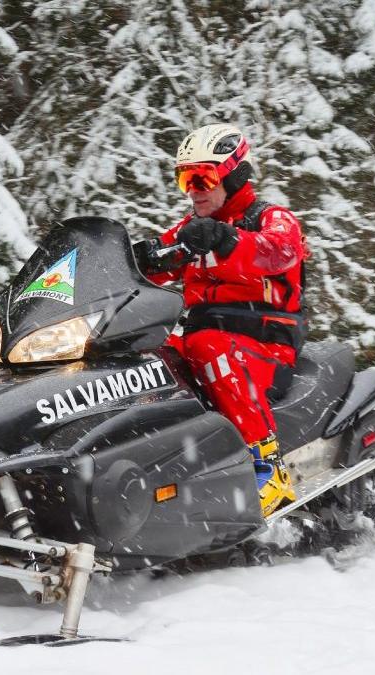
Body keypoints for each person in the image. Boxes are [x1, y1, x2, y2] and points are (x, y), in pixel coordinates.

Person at [134, 123, 308, 518]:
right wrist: (131, 260)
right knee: (145, 362)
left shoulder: (271, 219)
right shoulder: (191, 230)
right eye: (184, 178)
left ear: (234, 175)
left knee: (206, 345)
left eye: (202, 177)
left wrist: (227, 240)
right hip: (206, 335)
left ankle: (268, 467)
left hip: (266, 344)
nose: (193, 188)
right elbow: (153, 265)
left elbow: (278, 251)